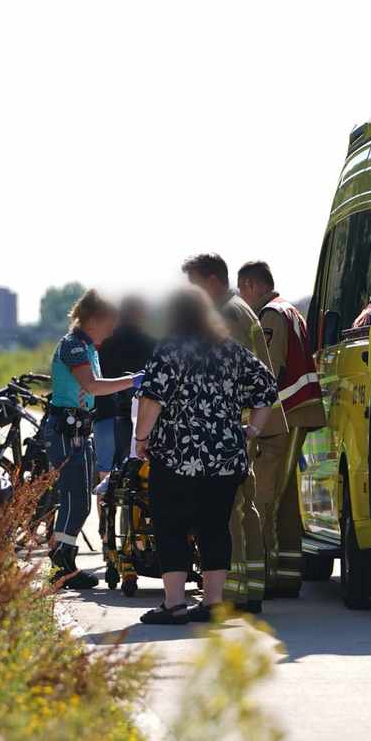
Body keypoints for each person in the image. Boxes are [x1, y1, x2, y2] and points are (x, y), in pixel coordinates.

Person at [134, 285, 277, 624]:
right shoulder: (230, 350)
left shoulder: (169, 350)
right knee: (215, 526)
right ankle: (212, 603)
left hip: (176, 455)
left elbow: (152, 399)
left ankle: (174, 603)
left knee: (171, 526)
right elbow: (267, 387)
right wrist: (252, 430)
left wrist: (142, 438)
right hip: (225, 456)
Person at [181, 252, 276, 611]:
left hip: (235, 425)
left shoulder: (227, 315)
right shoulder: (240, 307)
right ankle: (249, 587)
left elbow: (230, 374)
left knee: (226, 510)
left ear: (211, 280)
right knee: (244, 505)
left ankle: (231, 592)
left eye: (193, 284)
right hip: (247, 422)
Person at [237, 260, 326, 598]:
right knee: (286, 500)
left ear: (251, 285)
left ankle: (263, 576)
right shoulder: (290, 310)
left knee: (265, 497)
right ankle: (287, 574)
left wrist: (246, 408)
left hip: (283, 417)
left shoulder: (271, 315)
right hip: (296, 414)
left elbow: (268, 369)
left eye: (243, 290)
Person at [44, 289, 140, 590]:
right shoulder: (73, 346)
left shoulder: (88, 347)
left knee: (82, 500)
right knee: (76, 500)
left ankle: (65, 562)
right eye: (110, 321)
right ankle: (62, 567)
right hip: (66, 431)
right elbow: (93, 386)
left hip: (79, 429)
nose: (113, 328)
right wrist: (134, 380)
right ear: (95, 318)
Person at [92, 295, 156, 478]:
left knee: (106, 477)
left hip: (105, 413)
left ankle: (105, 506)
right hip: (143, 417)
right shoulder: (152, 342)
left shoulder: (104, 340)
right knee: (140, 476)